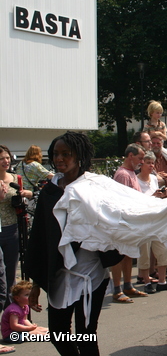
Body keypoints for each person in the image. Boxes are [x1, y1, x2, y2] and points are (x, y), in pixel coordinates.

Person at [25, 131, 124, 356]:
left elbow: (118, 216)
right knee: (57, 334)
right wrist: (36, 284)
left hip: (90, 274)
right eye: (55, 154)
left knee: (86, 337)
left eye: (66, 154)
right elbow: (41, 239)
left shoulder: (94, 188)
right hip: (60, 275)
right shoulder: (49, 193)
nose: (59, 159)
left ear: (79, 155)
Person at [110, 144, 148, 303]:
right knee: (119, 255)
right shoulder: (123, 174)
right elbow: (120, 199)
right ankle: (117, 289)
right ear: (130, 156)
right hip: (122, 221)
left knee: (127, 254)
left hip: (130, 221)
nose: (142, 162)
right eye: (140, 158)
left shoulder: (131, 173)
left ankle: (127, 285)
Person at [135, 151, 167, 294]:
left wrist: (162, 195)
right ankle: (146, 282)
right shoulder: (136, 179)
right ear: (141, 164)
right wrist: (153, 196)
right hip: (144, 219)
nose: (151, 165)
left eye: (152, 163)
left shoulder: (154, 178)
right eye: (148, 163)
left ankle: (162, 281)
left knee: (161, 248)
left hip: (157, 217)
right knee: (144, 251)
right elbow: (137, 200)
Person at [0, 145, 32, 306]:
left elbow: (26, 194)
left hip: (13, 228)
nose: (5, 161)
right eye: (1, 159)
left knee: (11, 271)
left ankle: (10, 308)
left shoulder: (14, 178)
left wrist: (26, 194)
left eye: (7, 157)